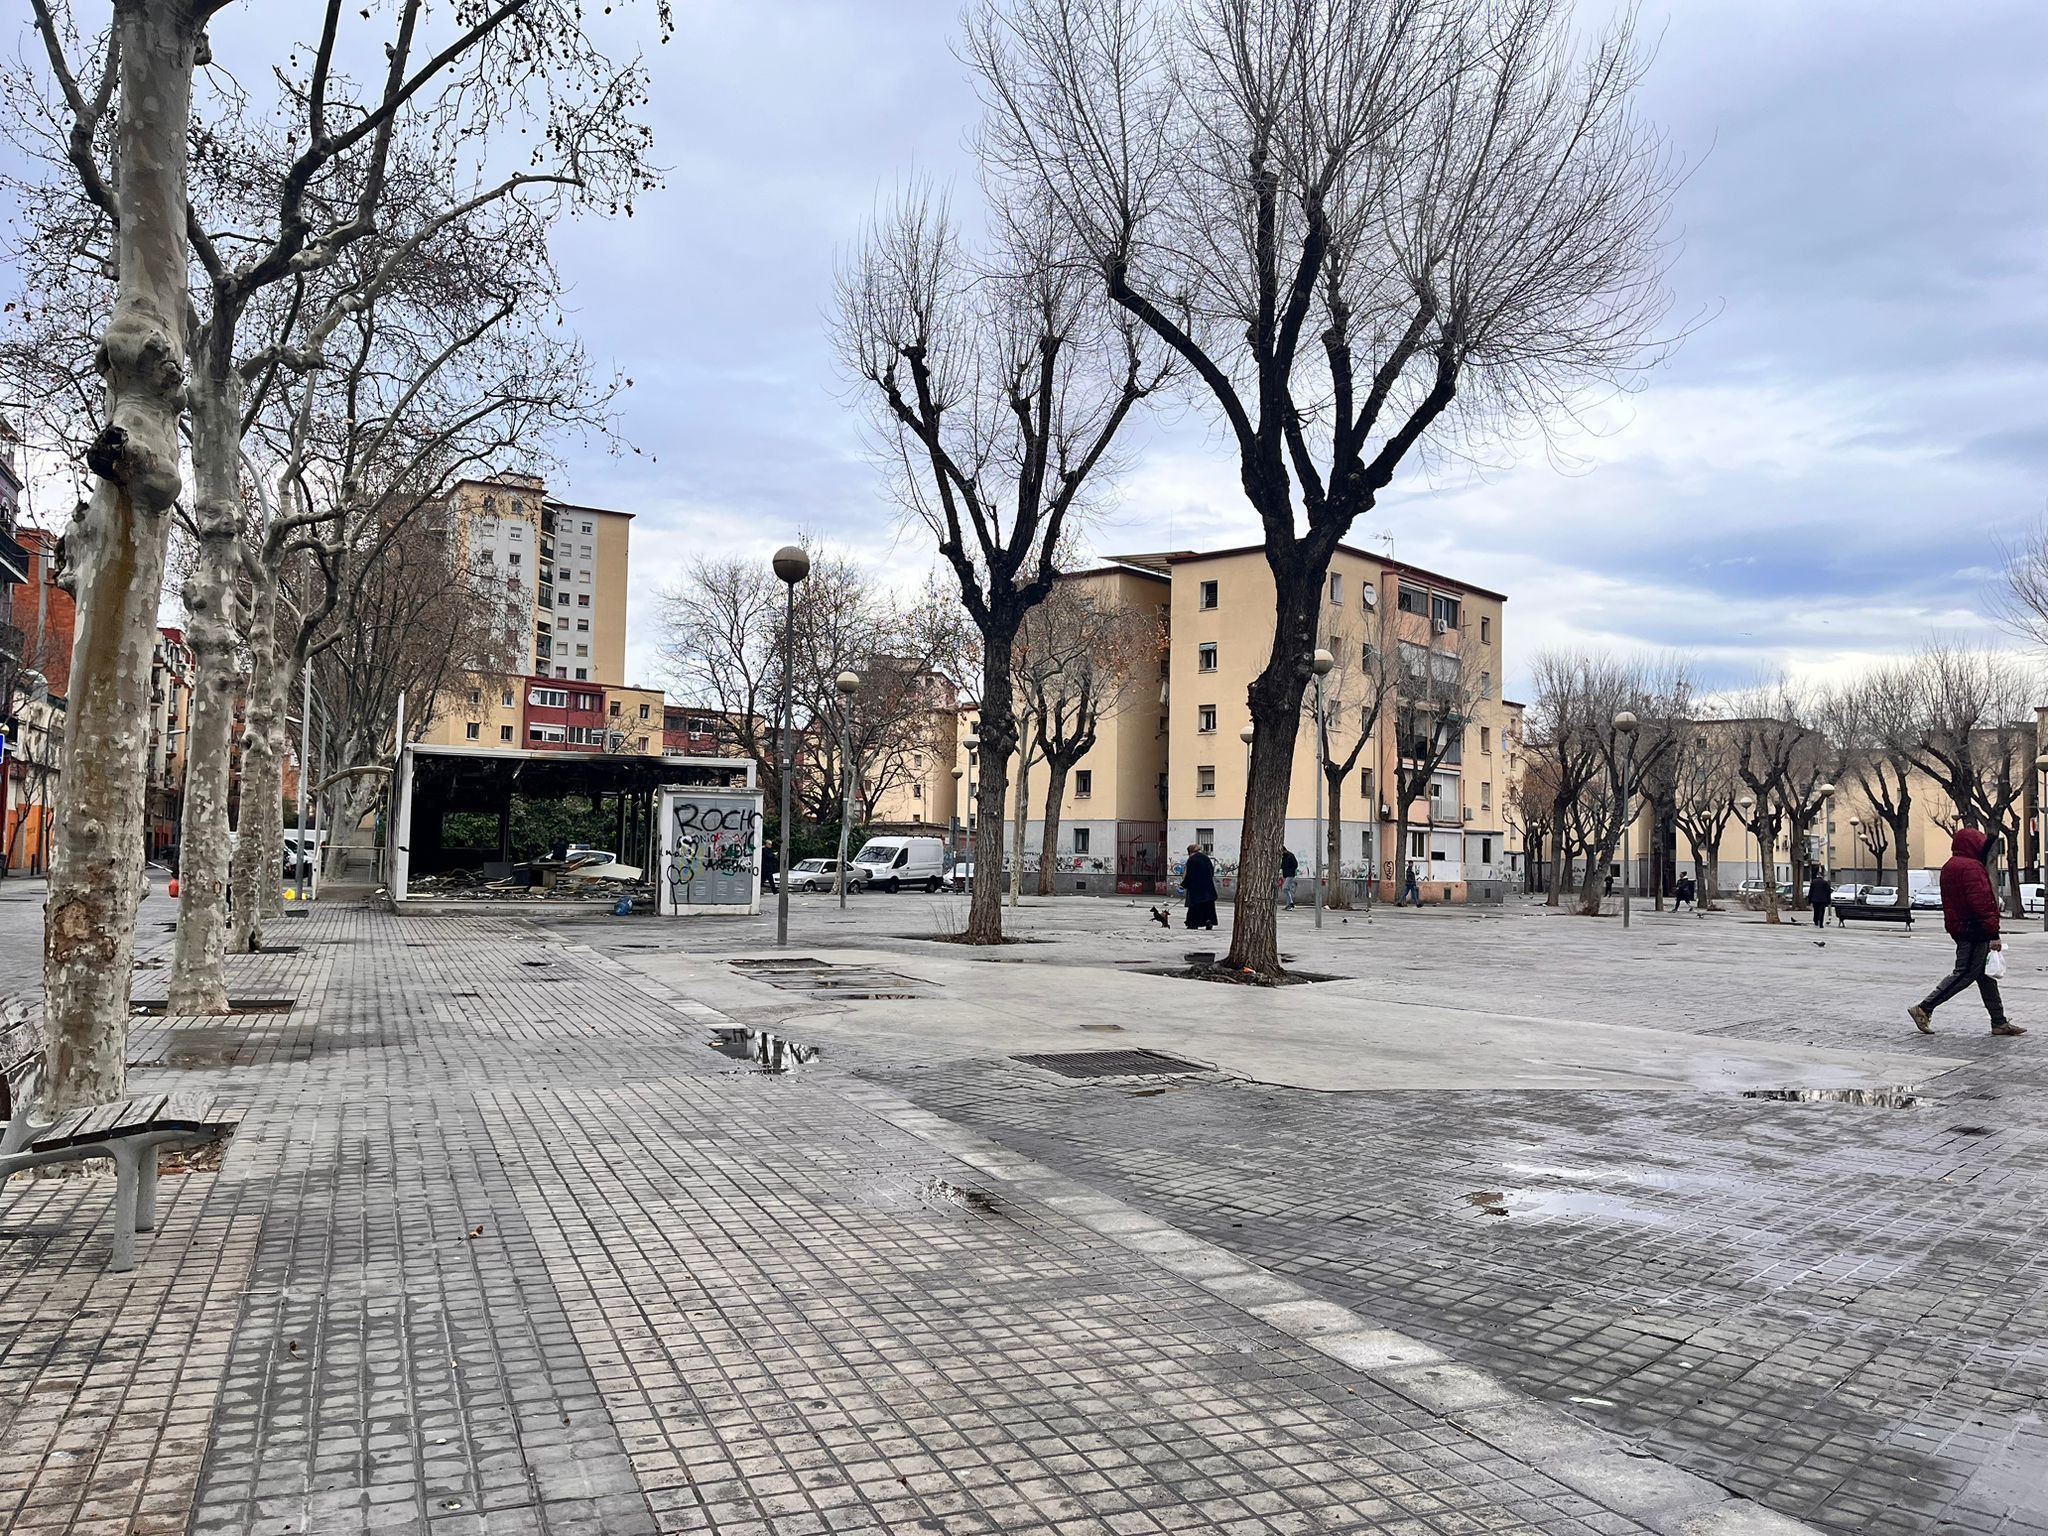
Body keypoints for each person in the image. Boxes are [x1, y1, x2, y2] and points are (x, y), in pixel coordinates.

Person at [1910, 828, 2025, 1037]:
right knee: (1964, 973)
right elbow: (1982, 903)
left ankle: (1999, 1021)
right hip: (1974, 929)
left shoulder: (1950, 866)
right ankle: (1925, 1007)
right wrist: (1993, 933)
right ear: (1974, 846)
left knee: (1984, 975)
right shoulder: (1972, 867)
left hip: (1961, 926)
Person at [1181, 844, 1218, 931]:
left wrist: (1184, 884)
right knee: (1208, 906)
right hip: (1208, 887)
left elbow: (1189, 875)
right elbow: (1211, 871)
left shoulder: (1191, 860)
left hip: (1196, 888)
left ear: (1190, 852)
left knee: (1194, 907)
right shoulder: (1206, 858)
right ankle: (1209, 921)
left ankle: (1193, 923)